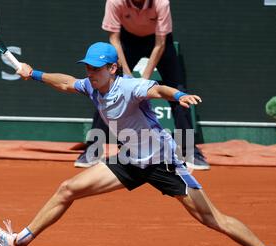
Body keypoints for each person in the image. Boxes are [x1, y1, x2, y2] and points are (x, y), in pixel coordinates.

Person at [0, 42, 276, 246]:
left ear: (113, 68)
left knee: (213, 219)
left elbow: (156, 89)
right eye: (88, 68)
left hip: (163, 162)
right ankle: (17, 244)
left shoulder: (128, 87)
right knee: (67, 189)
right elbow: (67, 83)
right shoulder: (91, 86)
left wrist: (178, 95)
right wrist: (35, 74)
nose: (90, 73)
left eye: (96, 69)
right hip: (130, 159)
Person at [74, 0, 210, 170]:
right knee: (106, 87)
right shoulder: (115, 2)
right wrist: (127, 75)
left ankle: (190, 151)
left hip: (160, 43)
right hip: (126, 41)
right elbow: (114, 39)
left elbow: (160, 44)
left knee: (178, 92)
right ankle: (93, 149)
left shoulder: (161, 3)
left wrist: (143, 79)